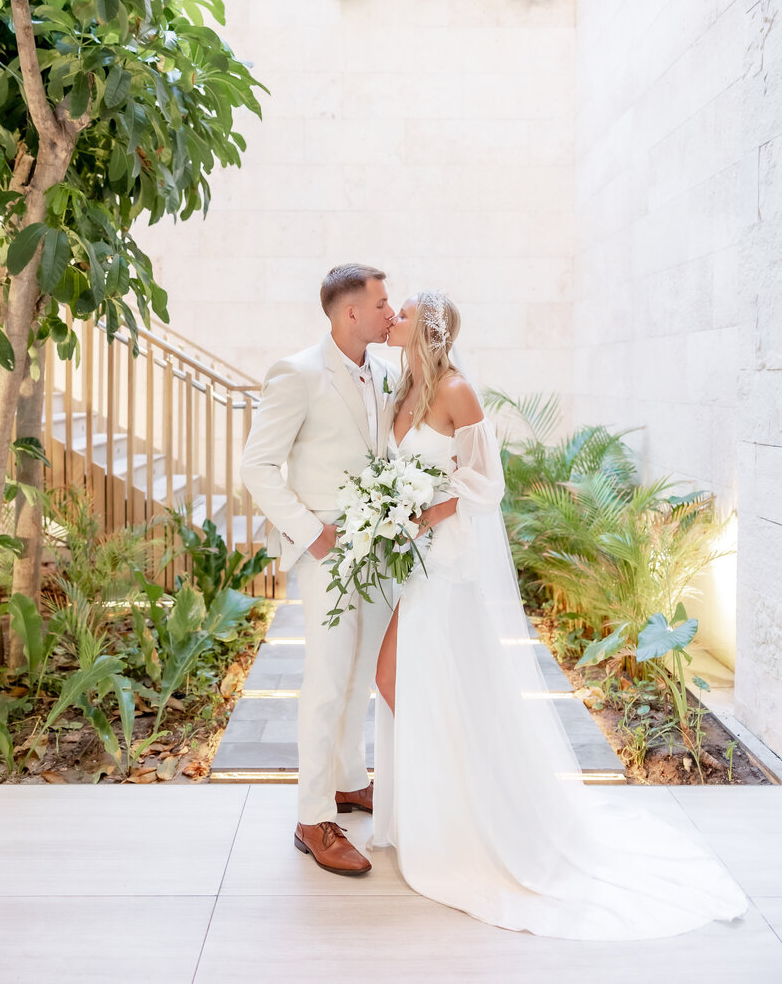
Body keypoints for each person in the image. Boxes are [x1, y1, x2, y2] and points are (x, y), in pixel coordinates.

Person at [371, 289, 748, 939]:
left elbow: (487, 481)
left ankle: (471, 808)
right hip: (418, 561)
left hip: (449, 564)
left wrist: (426, 511)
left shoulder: (456, 389)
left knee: (411, 678)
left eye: (401, 311)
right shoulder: (401, 387)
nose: (392, 318)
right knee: (403, 681)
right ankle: (444, 802)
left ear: (426, 326)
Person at [240, 263, 397, 877]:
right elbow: (258, 467)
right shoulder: (297, 373)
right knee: (327, 679)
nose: (392, 313)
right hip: (327, 549)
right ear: (349, 312)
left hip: (381, 548)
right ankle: (311, 816)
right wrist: (313, 533)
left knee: (360, 675)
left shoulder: (385, 372)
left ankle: (348, 778)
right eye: (382, 304)